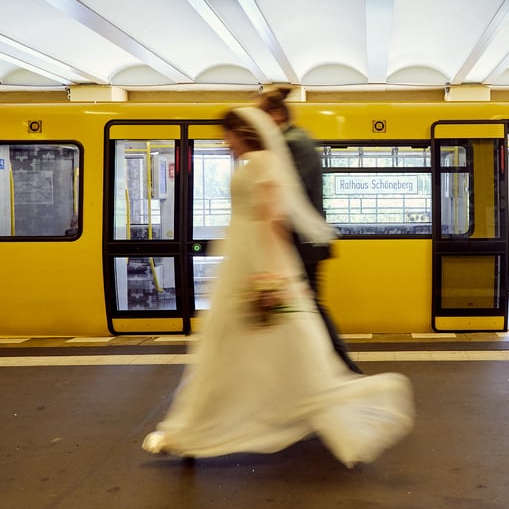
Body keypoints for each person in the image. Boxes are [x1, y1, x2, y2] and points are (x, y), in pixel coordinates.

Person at [142, 107, 414, 467]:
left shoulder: (264, 163)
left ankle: (201, 428)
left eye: (227, 135)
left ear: (242, 133)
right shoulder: (255, 163)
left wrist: (273, 275)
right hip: (239, 264)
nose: (225, 142)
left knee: (254, 347)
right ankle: (196, 427)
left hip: (256, 265)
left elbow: (275, 221)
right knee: (228, 347)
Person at [257, 86, 362, 374]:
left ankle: (344, 367)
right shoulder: (295, 140)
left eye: (261, 116)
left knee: (310, 308)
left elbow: (290, 197)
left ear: (276, 114)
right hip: (305, 245)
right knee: (304, 309)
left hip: (302, 247)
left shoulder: (292, 143)